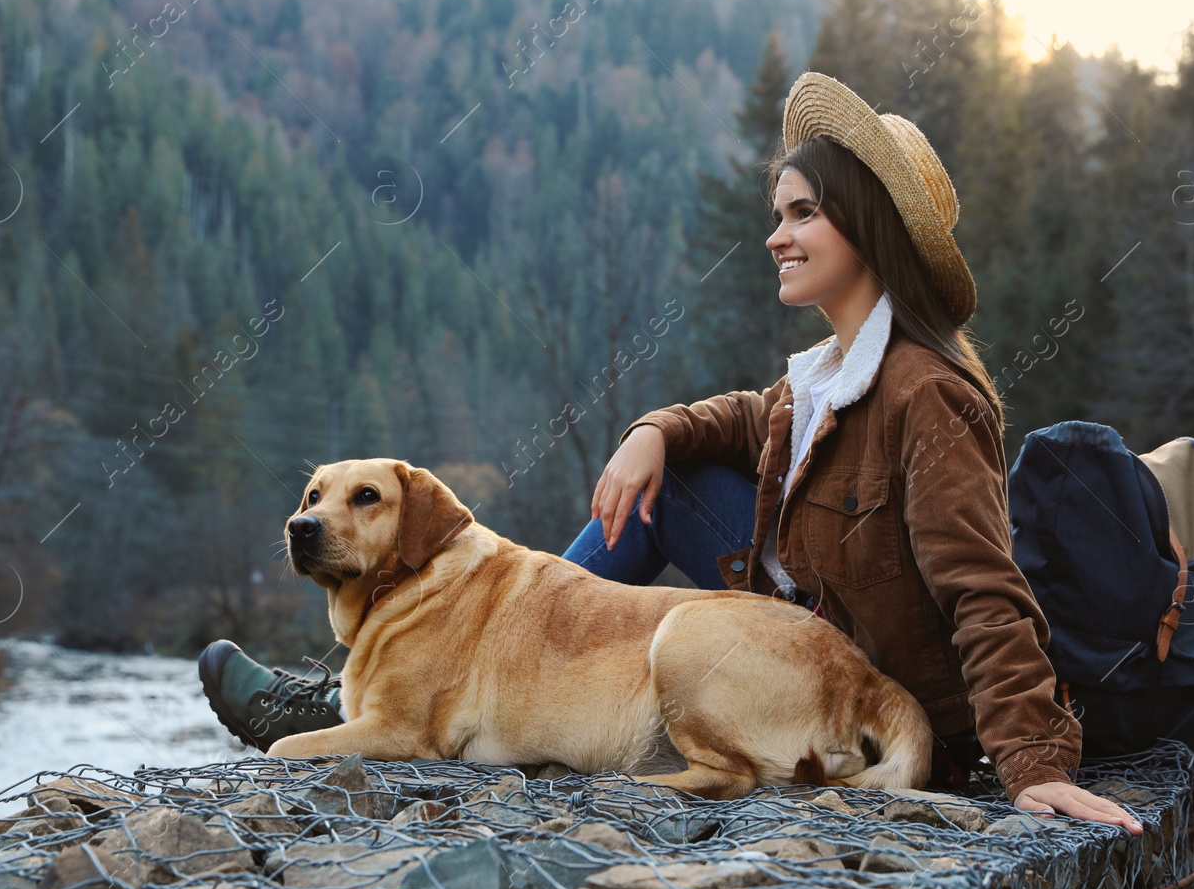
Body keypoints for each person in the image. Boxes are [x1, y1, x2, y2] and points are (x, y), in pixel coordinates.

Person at [199, 71, 1141, 834]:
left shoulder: (927, 392)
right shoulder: (830, 374)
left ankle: (425, 690)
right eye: (780, 212)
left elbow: (984, 587)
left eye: (803, 213)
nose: (776, 235)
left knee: (659, 503)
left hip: (854, 671)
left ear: (872, 226)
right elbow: (742, 417)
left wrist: (1032, 765)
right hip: (791, 632)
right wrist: (650, 431)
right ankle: (432, 682)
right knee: (677, 465)